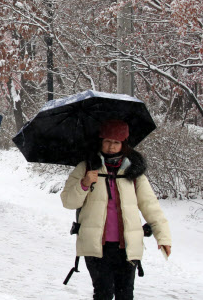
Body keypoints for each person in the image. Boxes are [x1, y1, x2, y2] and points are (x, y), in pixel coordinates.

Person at [60, 119, 172, 299]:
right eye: (107, 141)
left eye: (116, 142)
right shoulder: (86, 168)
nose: (111, 146)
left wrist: (163, 236)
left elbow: (150, 206)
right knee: (103, 293)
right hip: (96, 246)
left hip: (127, 247)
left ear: (124, 144)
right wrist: (84, 183)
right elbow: (68, 202)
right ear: (100, 141)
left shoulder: (134, 172)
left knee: (125, 294)